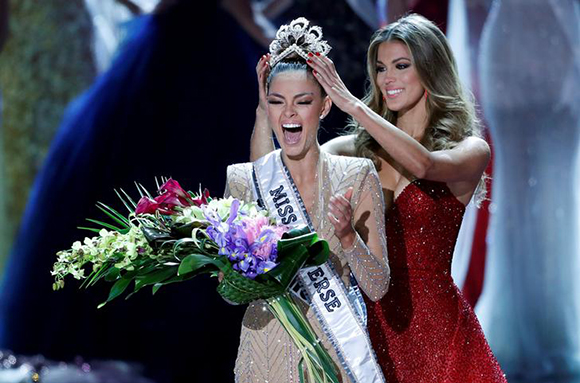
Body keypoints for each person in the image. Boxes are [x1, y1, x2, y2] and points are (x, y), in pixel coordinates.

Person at [251, 13, 507, 382]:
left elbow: (425, 165)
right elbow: (271, 177)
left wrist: (353, 105)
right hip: (362, 330)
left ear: (431, 69)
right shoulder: (355, 151)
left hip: (438, 335)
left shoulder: (469, 150)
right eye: (381, 67)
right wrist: (265, 113)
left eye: (401, 66)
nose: (387, 79)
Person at [226, 17, 390, 382]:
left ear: (325, 106)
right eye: (276, 102)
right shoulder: (243, 180)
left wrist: (348, 236)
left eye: (303, 102)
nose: (289, 113)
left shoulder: (357, 175)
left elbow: (378, 287)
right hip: (262, 352)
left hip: (338, 353)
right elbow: (229, 292)